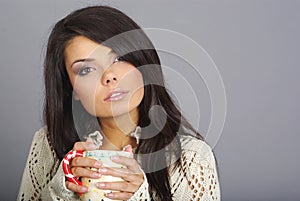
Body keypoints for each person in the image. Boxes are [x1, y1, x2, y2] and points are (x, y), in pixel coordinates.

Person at [17, 5, 220, 201]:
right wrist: (64, 189)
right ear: (72, 90)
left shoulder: (193, 158)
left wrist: (139, 197)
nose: (109, 77)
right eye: (86, 70)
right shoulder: (48, 144)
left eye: (118, 58)